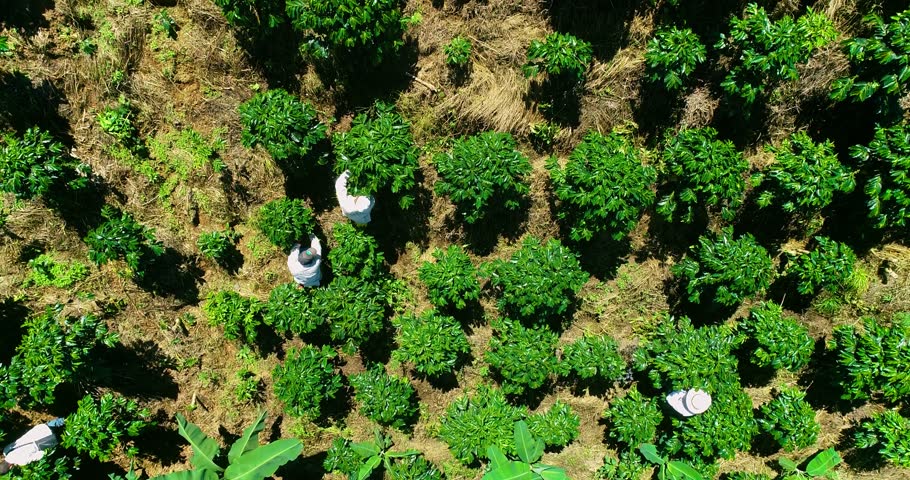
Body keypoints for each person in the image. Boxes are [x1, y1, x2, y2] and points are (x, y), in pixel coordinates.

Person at [0, 418, 65, 473]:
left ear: (10, 467)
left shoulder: (21, 462)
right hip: (37, 432)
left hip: (45, 440)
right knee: (58, 422)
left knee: (65, 435)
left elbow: (39, 455)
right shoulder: (6, 450)